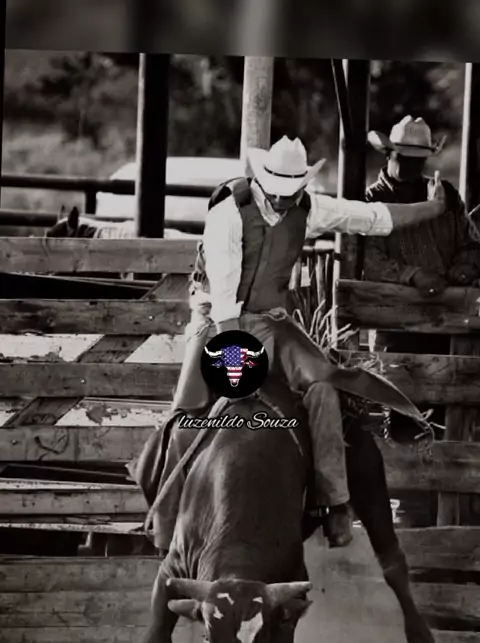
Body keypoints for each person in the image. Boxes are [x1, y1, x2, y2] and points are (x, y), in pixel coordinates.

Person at [164, 135, 447, 550]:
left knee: (324, 386)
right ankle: (166, 522)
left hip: (272, 321)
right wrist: (236, 367)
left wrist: (432, 208)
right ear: (262, 182)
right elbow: (224, 298)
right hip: (217, 320)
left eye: (290, 194)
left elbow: (370, 217)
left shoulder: (308, 208)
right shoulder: (228, 213)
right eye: (276, 194)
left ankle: (334, 502)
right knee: (185, 413)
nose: (282, 202)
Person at [365, 115, 480, 355]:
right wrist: (414, 275)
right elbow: (370, 259)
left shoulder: (447, 195)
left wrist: (463, 268)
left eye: (418, 160)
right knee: (392, 374)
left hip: (448, 318)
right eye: (404, 158)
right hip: (394, 322)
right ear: (388, 155)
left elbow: (471, 244)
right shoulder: (371, 200)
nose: (411, 166)